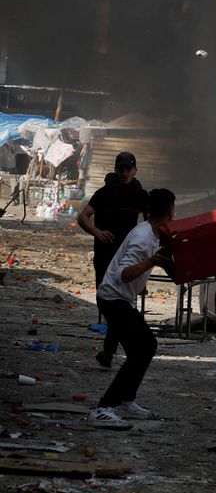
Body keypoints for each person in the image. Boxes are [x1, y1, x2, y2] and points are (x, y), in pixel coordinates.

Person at [87, 188, 176, 423]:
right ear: (169, 210)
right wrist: (151, 261)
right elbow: (125, 274)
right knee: (144, 347)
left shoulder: (154, 235)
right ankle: (103, 408)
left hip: (120, 299)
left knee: (144, 348)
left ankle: (126, 401)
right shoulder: (142, 238)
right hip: (113, 298)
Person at [77, 151, 148, 369]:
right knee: (104, 299)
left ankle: (109, 350)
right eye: (121, 169)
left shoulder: (141, 195)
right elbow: (82, 217)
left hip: (127, 258)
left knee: (121, 301)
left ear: (135, 170)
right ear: (116, 170)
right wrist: (97, 232)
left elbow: (150, 223)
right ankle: (119, 345)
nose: (125, 172)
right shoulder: (104, 193)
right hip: (105, 253)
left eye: (128, 168)